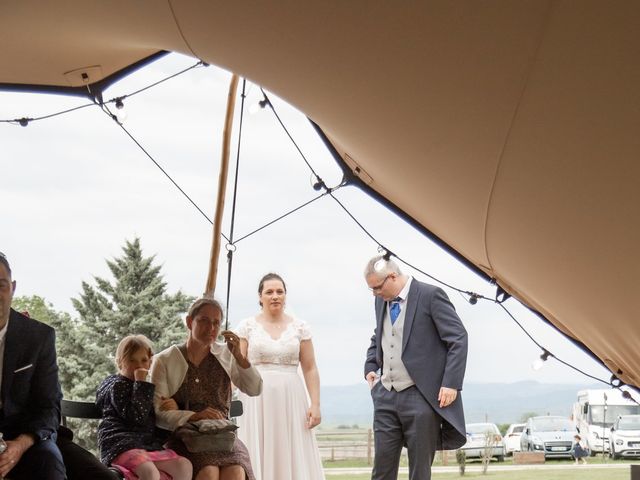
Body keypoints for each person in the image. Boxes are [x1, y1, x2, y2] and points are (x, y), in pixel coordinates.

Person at [363, 255, 468, 480]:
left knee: (420, 472)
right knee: (381, 470)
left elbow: (458, 338)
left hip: (421, 396)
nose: (374, 293)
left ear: (392, 277)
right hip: (385, 395)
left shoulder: (431, 296)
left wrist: (451, 383)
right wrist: (371, 365)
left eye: (377, 287)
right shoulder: (380, 300)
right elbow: (379, 334)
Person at [150, 297, 263, 480]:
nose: (211, 328)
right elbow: (159, 414)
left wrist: (240, 358)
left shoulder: (226, 354)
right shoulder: (165, 360)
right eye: (203, 321)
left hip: (222, 435)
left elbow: (255, 388)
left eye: (216, 323)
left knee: (236, 472)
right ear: (189, 322)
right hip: (186, 437)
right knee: (208, 472)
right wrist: (194, 415)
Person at [234, 273, 325, 480]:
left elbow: (310, 368)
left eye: (279, 291)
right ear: (260, 297)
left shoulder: (300, 328)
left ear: (285, 296)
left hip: (292, 398)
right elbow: (237, 367)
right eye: (269, 292)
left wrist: (316, 404)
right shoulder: (247, 327)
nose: (275, 296)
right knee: (256, 447)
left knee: (291, 448)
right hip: (255, 398)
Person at [0, 252, 66, 479]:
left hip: (27, 436)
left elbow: (49, 406)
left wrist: (20, 444)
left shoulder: (39, 337)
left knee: (50, 464)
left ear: (13, 287)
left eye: (2, 285)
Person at [96, 334, 193, 480]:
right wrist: (141, 383)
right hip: (120, 445)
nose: (139, 365)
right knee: (151, 473)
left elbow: (157, 422)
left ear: (150, 362)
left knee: (184, 465)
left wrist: (174, 407)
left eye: (143, 360)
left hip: (146, 446)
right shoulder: (117, 386)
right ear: (120, 363)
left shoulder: (148, 388)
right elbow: (137, 417)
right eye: (132, 360)